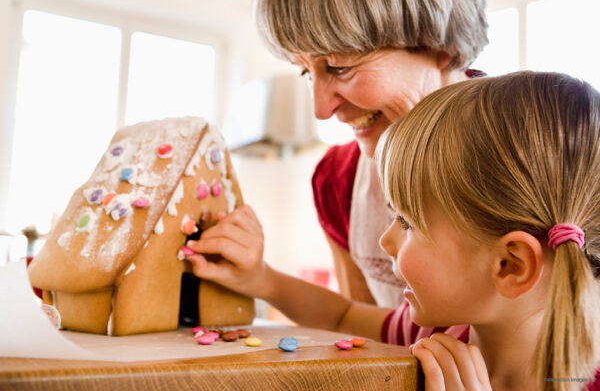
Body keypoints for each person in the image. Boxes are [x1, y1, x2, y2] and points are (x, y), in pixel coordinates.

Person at [188, 71, 600, 390]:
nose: (386, 240)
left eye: (407, 221)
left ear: (510, 265)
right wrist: (262, 279)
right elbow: (342, 314)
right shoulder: (437, 332)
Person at [253, 0, 489, 307]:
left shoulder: (542, 156)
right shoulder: (338, 180)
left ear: (439, 47)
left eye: (340, 66)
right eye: (307, 73)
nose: (321, 110)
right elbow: (360, 332)